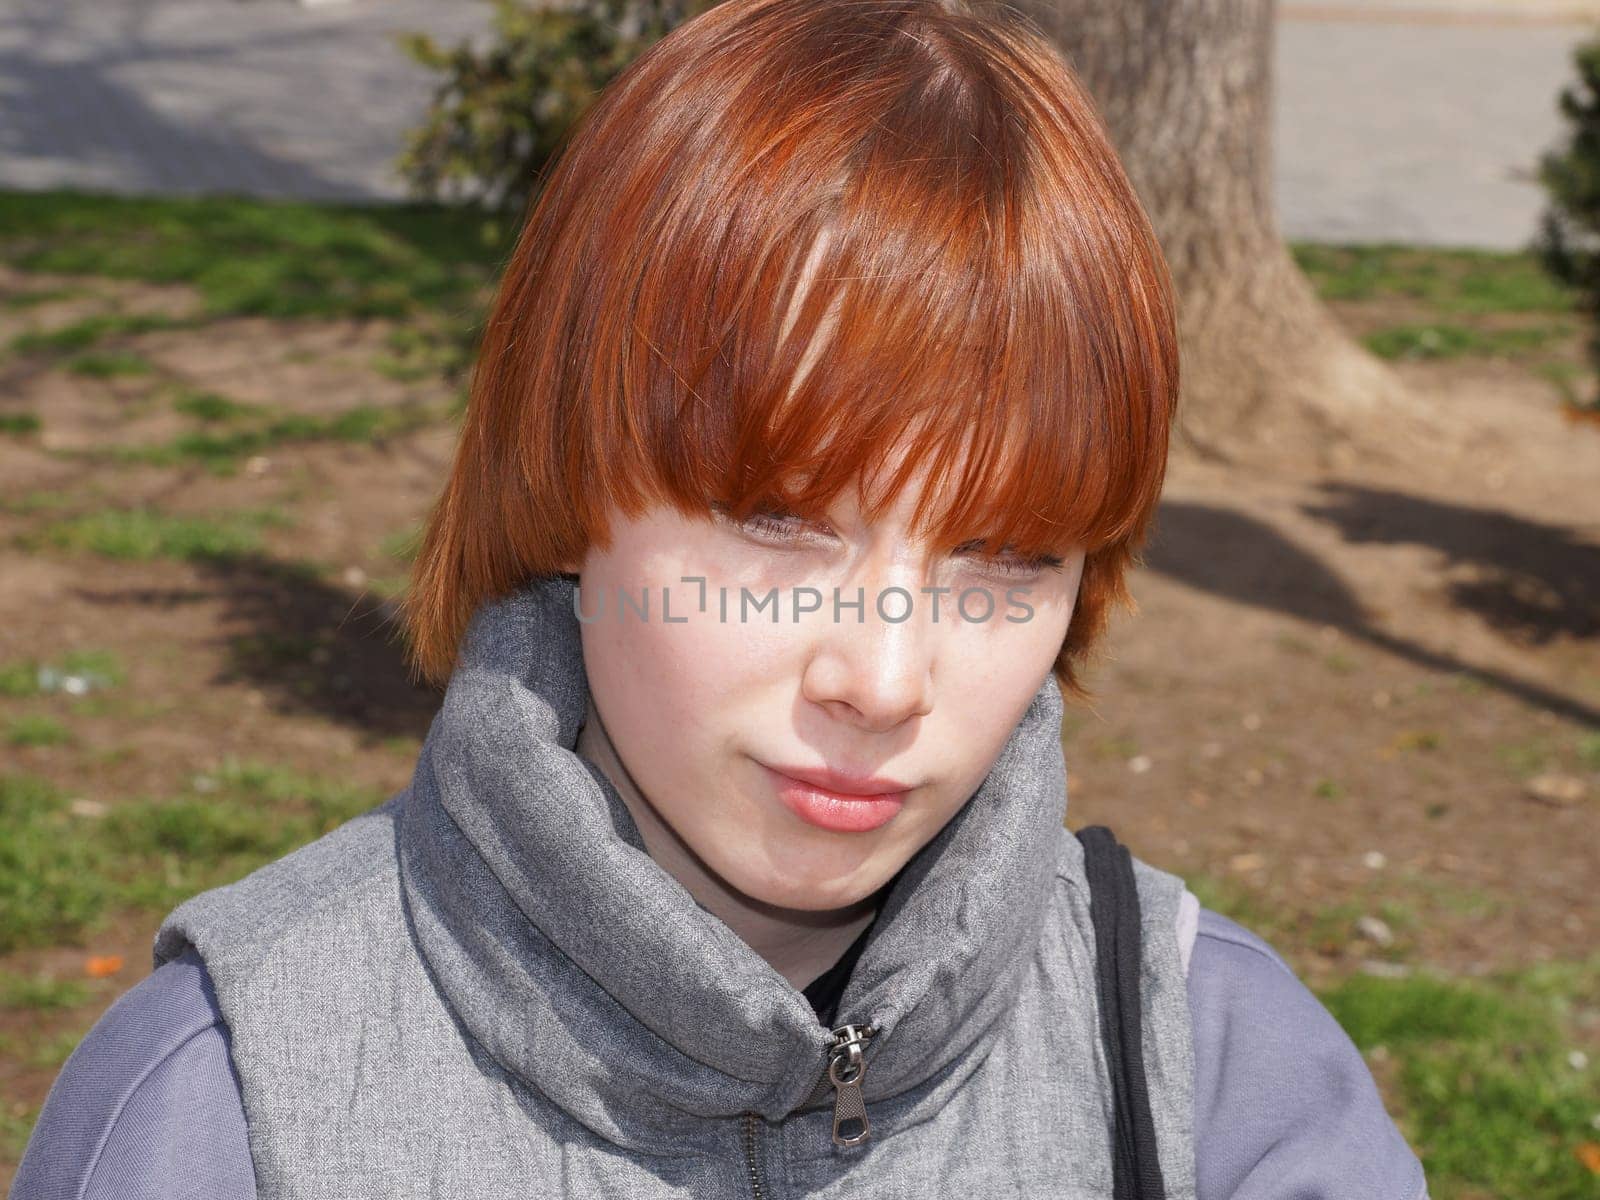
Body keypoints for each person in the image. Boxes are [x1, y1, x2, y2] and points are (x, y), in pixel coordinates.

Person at [11, 1, 1429, 1197]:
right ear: (573, 487)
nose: (882, 683)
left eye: (1007, 557)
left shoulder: (1218, 1081)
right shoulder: (227, 1113)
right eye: (779, 520)